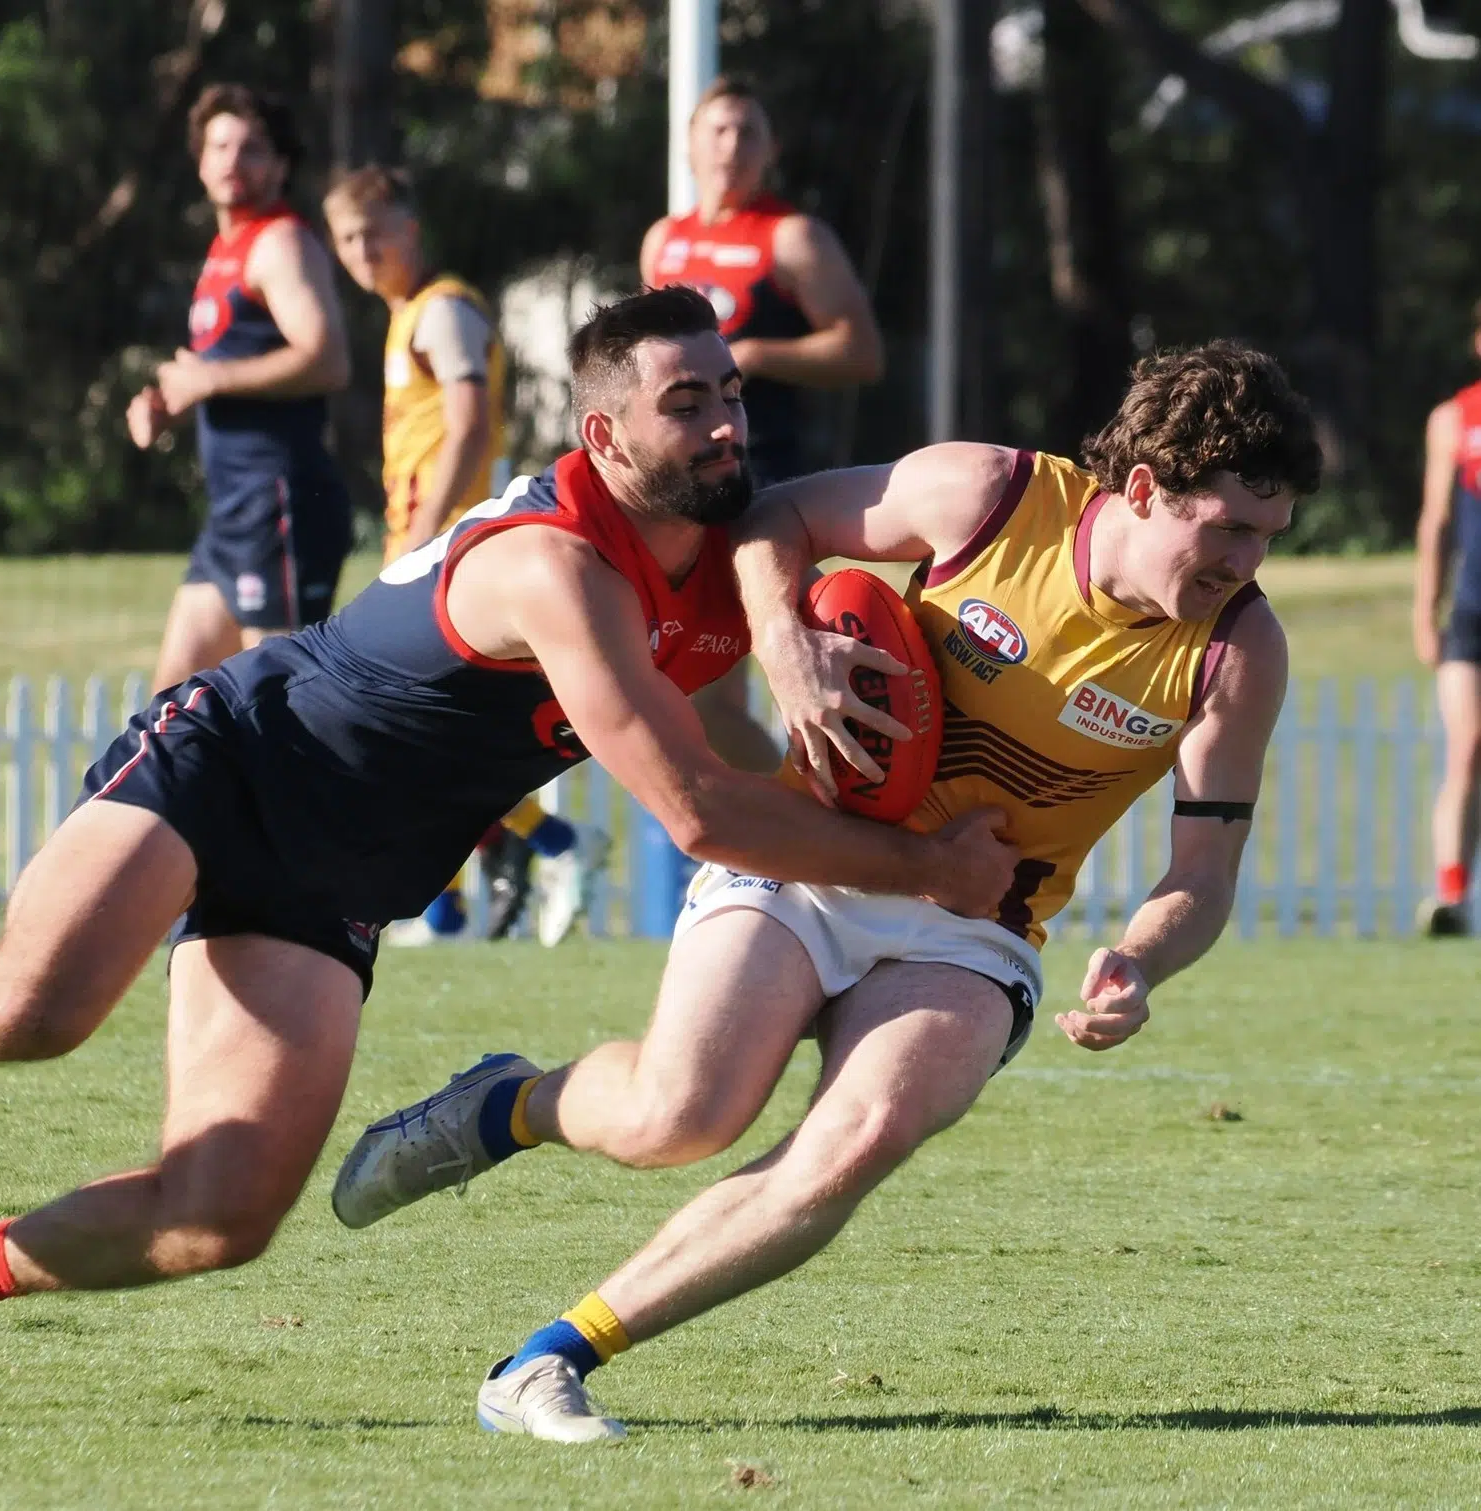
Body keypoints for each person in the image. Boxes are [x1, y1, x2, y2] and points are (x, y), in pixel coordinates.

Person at [0, 287, 1017, 1432]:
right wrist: (923, 867)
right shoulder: (555, 563)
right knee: (31, 1007)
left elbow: (739, 732)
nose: (723, 426)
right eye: (684, 404)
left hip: (341, 876)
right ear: (603, 432)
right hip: (236, 759)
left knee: (217, 1215)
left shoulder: (708, 551)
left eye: (731, 395)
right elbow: (693, 806)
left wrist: (829, 715)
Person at [333, 342, 1325, 1443]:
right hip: (817, 855)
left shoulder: (1236, 651)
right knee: (681, 1115)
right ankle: (504, 1103)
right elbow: (774, 521)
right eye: (1226, 526)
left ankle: (546, 1360)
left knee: (852, 1142)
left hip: (978, 928)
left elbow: (1201, 874)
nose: (1243, 559)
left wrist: (1139, 959)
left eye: (1265, 536)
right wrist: (786, 646)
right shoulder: (992, 498)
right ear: (1143, 489)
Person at [323, 162, 607, 946]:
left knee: (407, 725)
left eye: (373, 232)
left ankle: (548, 851)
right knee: (424, 732)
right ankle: (450, 909)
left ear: (410, 230)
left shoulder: (442, 312)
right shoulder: (409, 313)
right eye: (346, 238)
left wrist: (423, 537)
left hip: (449, 550)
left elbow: (470, 425)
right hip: (427, 540)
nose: (360, 250)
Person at [643, 75, 885, 775]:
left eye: (749, 131)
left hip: (764, 487)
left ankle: (822, 830)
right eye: (717, 129)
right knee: (696, 703)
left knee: (797, 678)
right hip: (681, 496)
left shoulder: (792, 237)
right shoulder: (665, 241)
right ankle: (785, 829)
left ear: (772, 148)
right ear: (689, 144)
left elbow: (861, 350)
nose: (732, 145)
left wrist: (752, 356)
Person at [127, 84, 354, 691]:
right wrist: (168, 404)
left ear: (281, 165)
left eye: (252, 148)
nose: (232, 160)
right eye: (219, 145)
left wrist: (210, 378)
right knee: (173, 708)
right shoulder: (225, 249)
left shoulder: (281, 243)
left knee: (277, 707)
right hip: (232, 517)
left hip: (281, 504)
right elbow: (225, 375)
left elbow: (328, 360)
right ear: (200, 162)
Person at [1411, 300, 1481, 936]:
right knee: (1468, 747)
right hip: (1472, 614)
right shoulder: (1454, 418)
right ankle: (1451, 895)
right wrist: (1423, 611)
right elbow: (1436, 521)